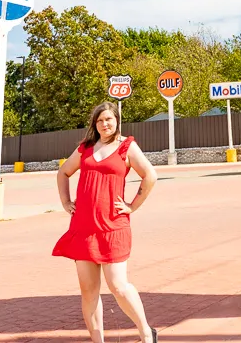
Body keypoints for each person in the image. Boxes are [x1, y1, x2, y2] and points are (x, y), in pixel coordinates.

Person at [53, 102, 159, 343]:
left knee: (119, 286)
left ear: (117, 121)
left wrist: (132, 205)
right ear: (95, 124)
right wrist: (66, 201)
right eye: (100, 120)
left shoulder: (126, 147)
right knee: (89, 291)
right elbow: (63, 172)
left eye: (109, 119)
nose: (105, 124)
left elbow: (150, 175)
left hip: (113, 226)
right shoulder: (85, 148)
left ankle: (145, 332)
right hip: (83, 227)